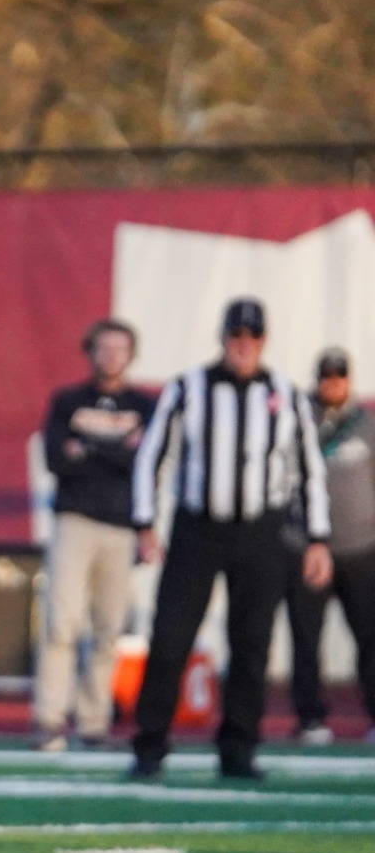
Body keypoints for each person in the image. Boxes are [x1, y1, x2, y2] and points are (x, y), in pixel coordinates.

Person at [128, 297, 331, 781]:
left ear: (264, 340)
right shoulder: (188, 387)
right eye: (236, 336)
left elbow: (311, 471)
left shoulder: (286, 393)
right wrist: (144, 523)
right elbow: (152, 455)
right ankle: (150, 746)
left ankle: (238, 748)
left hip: (261, 531)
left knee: (253, 643)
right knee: (171, 637)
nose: (244, 345)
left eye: (252, 337)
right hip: (198, 527)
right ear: (224, 339)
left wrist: (318, 538)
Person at [33, 319, 156, 752]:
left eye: (119, 348)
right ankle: (49, 716)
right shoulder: (68, 401)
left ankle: (93, 720)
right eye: (103, 348)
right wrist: (117, 451)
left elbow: (146, 464)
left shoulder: (145, 404)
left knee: (108, 629)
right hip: (74, 520)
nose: (111, 357)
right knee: (62, 622)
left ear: (131, 354)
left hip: (121, 526)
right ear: (90, 351)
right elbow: (56, 459)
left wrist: (88, 450)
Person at [283, 347, 375, 743]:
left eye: (339, 377)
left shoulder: (366, 425)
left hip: (360, 548)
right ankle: (310, 718)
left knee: (370, 636)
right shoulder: (294, 420)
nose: (332, 384)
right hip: (305, 548)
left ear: (348, 380)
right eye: (326, 377)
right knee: (305, 638)